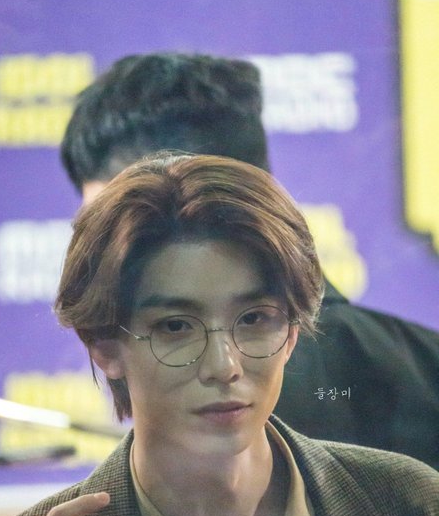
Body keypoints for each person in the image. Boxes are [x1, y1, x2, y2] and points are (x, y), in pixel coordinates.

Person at [0, 153, 438, 516]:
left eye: (254, 319)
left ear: (293, 331)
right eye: (175, 327)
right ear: (104, 346)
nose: (223, 365)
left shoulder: (412, 514)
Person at [60, 52, 439, 468]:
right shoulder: (426, 361)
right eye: (175, 326)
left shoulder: (413, 491)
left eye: (107, 217)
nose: (224, 367)